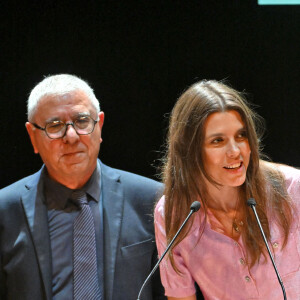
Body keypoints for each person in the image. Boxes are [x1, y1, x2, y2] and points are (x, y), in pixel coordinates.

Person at [0, 74, 166, 300]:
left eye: (82, 121)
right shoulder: (5, 210)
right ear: (32, 136)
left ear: (100, 125)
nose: (71, 136)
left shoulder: (153, 200)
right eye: (55, 125)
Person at [154, 80, 300, 300]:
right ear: (190, 151)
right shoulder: (173, 214)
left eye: (241, 136)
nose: (235, 151)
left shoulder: (293, 190)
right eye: (218, 141)